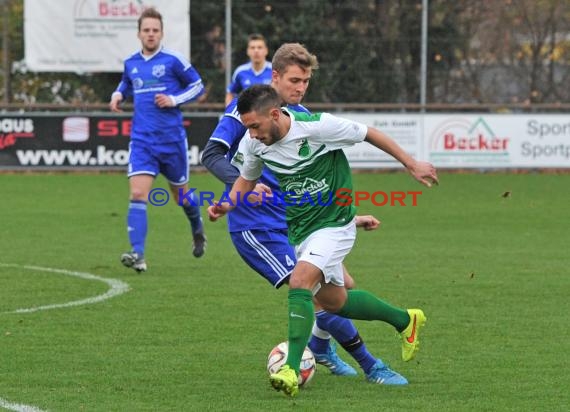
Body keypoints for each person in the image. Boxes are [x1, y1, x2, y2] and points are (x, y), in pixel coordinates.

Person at [208, 83, 439, 397]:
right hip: (302, 229)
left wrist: (411, 163)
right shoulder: (254, 145)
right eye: (247, 128)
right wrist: (226, 205)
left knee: (300, 282)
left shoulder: (316, 126)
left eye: (255, 126)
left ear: (275, 115)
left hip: (335, 223)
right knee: (336, 302)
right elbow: (246, 181)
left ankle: (290, 368)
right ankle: (405, 320)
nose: (251, 134)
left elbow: (369, 132)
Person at [109, 7, 207, 273]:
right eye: (146, 30)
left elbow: (198, 86)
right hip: (142, 141)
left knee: (182, 196)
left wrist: (174, 99)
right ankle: (138, 254)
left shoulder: (174, 60)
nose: (151, 34)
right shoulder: (131, 62)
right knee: (138, 193)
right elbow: (126, 84)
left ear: (161, 33)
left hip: (172, 141)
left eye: (155, 30)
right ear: (139, 33)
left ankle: (197, 228)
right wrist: (118, 94)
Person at [225, 34, 272, 106]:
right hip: (247, 116)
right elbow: (230, 93)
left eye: (259, 47)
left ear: (266, 50)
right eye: (252, 48)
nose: (256, 51)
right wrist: (230, 112)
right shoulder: (240, 71)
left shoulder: (274, 71)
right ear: (248, 51)